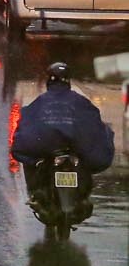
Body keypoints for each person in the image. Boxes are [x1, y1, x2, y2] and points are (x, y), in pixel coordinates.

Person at [11, 61, 115, 207]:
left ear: (49, 80)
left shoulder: (40, 102)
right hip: (74, 150)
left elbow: (27, 125)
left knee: (29, 159)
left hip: (51, 151)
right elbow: (94, 124)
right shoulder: (81, 102)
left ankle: (34, 193)